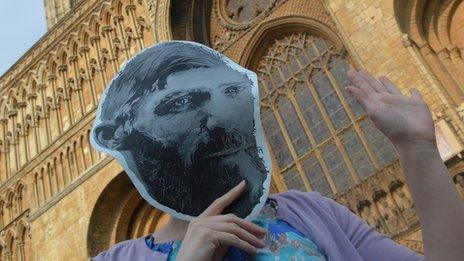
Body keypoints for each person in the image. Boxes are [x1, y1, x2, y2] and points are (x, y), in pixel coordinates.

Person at [93, 67, 464, 260]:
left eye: (228, 94)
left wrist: (418, 149)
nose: (213, 118)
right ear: (125, 135)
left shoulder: (310, 212)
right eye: (178, 105)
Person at [92, 42, 269, 218]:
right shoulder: (131, 247)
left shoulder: (295, 208)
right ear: (114, 135)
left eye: (232, 90)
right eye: (181, 102)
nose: (224, 118)